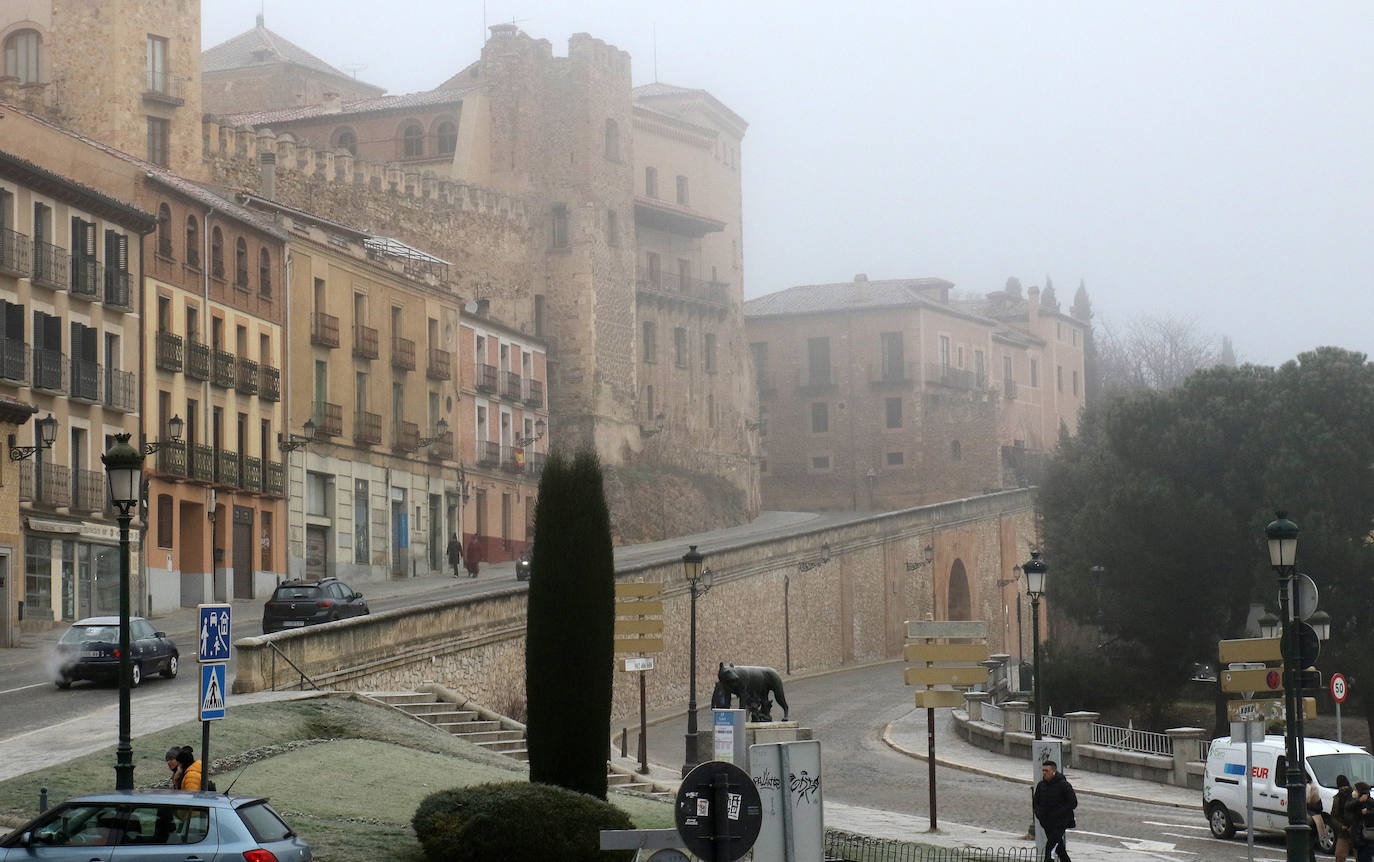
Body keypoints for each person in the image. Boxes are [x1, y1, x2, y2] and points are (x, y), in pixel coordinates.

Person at [1033, 759, 1077, 862]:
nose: (1044, 773)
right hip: (1047, 822)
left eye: (1046, 771)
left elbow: (1073, 803)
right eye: (1043, 770)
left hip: (1061, 822)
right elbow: (1036, 802)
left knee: (1050, 847)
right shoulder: (1041, 785)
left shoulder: (1064, 785)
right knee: (1060, 849)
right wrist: (1040, 815)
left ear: (1054, 771)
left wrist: (1059, 813)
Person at [1332, 774, 1354, 862]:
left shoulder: (1355, 796)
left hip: (1356, 830)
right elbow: (1333, 816)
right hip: (1343, 831)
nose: (1343, 788)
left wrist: (1353, 826)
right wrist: (1340, 826)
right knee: (1339, 855)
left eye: (1345, 786)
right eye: (1341, 786)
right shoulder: (1337, 798)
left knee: (1360, 855)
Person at [1351, 782, 1373, 862]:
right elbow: (1349, 808)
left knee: (1365, 857)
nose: (1354, 792)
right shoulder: (1357, 801)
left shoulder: (1370, 802)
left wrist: (1368, 812)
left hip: (1366, 835)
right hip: (1360, 836)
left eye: (1355, 790)